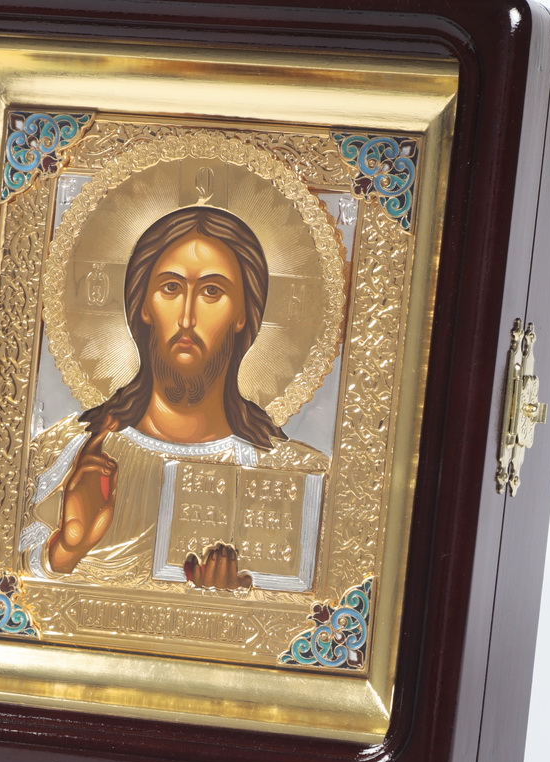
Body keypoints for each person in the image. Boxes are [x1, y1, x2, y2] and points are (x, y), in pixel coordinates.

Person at [19, 205, 326, 589]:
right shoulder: (64, 453)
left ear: (243, 314)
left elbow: (315, 602)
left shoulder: (290, 475)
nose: (186, 318)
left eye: (212, 292)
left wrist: (233, 598)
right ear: (143, 305)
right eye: (171, 288)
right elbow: (5, 579)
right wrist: (68, 547)